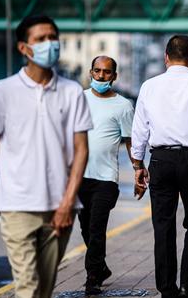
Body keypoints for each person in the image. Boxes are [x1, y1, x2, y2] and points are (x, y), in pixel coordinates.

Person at [0, 15, 92, 298]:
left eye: (53, 37)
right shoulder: (2, 91)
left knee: (43, 290)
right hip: (16, 206)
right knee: (28, 289)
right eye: (40, 39)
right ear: (23, 48)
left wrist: (67, 202)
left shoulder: (72, 92)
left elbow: (81, 150)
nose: (49, 44)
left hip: (59, 210)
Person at [131, 35, 188, 298]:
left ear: (165, 57)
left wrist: (138, 165)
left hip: (160, 160)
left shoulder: (149, 87)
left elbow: (139, 131)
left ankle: (167, 289)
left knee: (163, 225)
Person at [79, 56, 135, 295]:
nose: (101, 76)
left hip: (106, 179)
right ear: (91, 72)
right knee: (84, 227)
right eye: (97, 71)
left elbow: (131, 141)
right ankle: (100, 267)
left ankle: (92, 277)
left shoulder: (123, 105)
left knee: (96, 227)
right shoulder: (78, 100)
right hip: (78, 177)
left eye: (107, 72)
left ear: (114, 76)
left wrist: (138, 170)